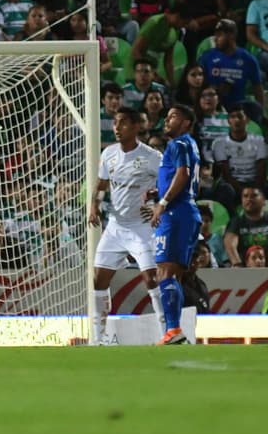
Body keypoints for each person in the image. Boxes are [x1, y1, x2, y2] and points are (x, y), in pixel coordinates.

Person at [87, 107, 165, 345]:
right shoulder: (109, 153)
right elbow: (101, 186)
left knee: (152, 279)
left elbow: (169, 186)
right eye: (115, 123)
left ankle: (168, 333)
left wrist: (157, 204)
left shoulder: (152, 157)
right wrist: (94, 207)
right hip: (115, 226)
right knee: (99, 279)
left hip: (141, 228)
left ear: (135, 126)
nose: (116, 128)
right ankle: (99, 337)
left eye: (122, 123)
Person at [148, 103, 203, 345]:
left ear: (186, 123)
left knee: (164, 272)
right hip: (186, 212)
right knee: (174, 275)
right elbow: (184, 179)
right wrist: (158, 191)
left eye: (174, 117)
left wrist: (162, 201)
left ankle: (173, 331)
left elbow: (183, 175)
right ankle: (175, 330)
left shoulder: (178, 143)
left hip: (175, 214)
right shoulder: (190, 144)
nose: (167, 120)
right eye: (167, 117)